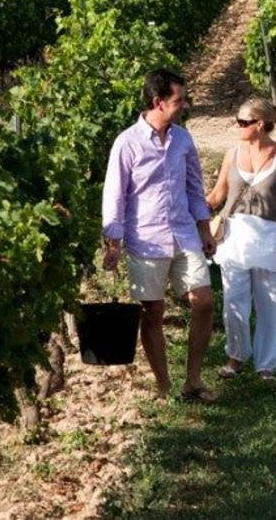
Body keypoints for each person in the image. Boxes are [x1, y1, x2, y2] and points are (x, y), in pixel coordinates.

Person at [102, 68, 218, 402]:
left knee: (204, 303)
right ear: (158, 102)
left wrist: (204, 228)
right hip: (146, 240)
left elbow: (195, 186)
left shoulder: (183, 139)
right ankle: (164, 385)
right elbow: (115, 195)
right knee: (152, 313)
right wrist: (114, 240)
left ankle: (193, 380)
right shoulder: (127, 143)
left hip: (184, 235)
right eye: (178, 100)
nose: (183, 105)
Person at [205, 98, 276, 382]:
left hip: (268, 236)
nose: (238, 126)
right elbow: (217, 196)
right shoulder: (232, 154)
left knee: (271, 302)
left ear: (260, 125)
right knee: (234, 300)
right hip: (234, 236)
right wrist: (192, 213)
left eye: (243, 122)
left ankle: (267, 364)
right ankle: (236, 355)